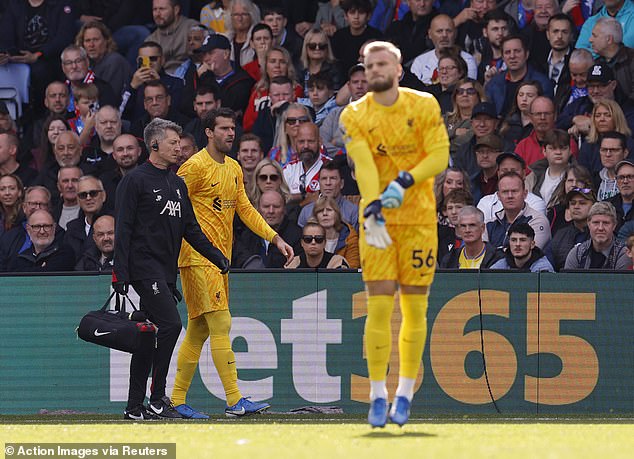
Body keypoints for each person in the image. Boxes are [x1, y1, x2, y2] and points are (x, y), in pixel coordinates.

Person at [340, 41, 449, 427]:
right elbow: (365, 164)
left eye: (382, 64)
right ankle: (376, 395)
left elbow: (439, 156)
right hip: (380, 224)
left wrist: (404, 181)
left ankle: (404, 393)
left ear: (399, 69)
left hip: (419, 222)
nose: (375, 71)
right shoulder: (353, 114)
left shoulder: (424, 105)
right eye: (369, 66)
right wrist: (371, 207)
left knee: (415, 309)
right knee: (380, 308)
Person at [170, 108, 294, 419]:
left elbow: (247, 210)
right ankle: (234, 400)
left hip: (219, 260)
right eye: (223, 128)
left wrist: (275, 238)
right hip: (197, 258)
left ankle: (176, 399)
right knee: (222, 323)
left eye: (232, 128)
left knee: (198, 329)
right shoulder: (194, 167)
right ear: (208, 132)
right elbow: (170, 207)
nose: (230, 134)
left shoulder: (235, 168)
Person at [113, 117, 230, 420]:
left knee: (148, 336)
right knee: (171, 325)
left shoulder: (177, 184)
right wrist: (120, 273)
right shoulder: (135, 180)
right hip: (142, 268)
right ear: (154, 145)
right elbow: (123, 229)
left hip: (165, 271)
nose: (179, 148)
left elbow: (190, 229)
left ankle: (134, 406)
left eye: (180, 143)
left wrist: (216, 255)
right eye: (173, 143)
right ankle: (157, 397)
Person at [232, 190, 302, 268]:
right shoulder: (246, 235)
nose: (271, 211)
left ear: (284, 209)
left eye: (276, 206)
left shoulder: (297, 235)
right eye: (266, 206)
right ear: (257, 210)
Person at [485, 171, 551, 249]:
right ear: (498, 196)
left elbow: (529, 254)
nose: (510, 196)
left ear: (525, 194)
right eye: (505, 192)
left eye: (514, 191)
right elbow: (481, 254)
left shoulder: (537, 221)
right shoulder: (490, 223)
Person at [564, 201, 632, 269]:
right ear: (589, 224)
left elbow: (620, 280)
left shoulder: (624, 254)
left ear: (614, 225)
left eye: (606, 223)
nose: (600, 228)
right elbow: (567, 279)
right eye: (596, 222)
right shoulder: (577, 253)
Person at [6, 209, 75, 273]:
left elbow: (49, 276)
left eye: (47, 226)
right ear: (28, 230)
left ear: (54, 228)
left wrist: (28, 271)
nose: (42, 231)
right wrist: (41, 269)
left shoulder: (65, 253)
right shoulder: (21, 258)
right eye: (36, 227)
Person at [146, 0, 199, 74]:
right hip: (163, 81)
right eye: (155, 9)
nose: (157, 14)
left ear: (176, 10)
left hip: (191, 77)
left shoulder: (192, 28)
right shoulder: (150, 40)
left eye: (162, 9)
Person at [551, 187, 595, 270]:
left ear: (593, 206)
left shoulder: (601, 233)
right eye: (573, 203)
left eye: (582, 203)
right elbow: (548, 263)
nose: (576, 207)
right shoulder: (560, 235)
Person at [312, 195, 360, 268]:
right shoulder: (308, 237)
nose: (325, 213)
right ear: (316, 216)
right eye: (320, 211)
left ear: (336, 214)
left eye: (329, 210)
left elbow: (352, 268)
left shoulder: (350, 236)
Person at [489, 222, 555, 271]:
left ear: (532, 244)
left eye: (522, 240)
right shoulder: (501, 264)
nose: (517, 244)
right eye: (513, 240)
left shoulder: (543, 268)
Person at [285, 221, 351, 269]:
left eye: (318, 239)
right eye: (308, 239)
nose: (313, 242)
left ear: (325, 242)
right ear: (302, 243)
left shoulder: (337, 262)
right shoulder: (293, 264)